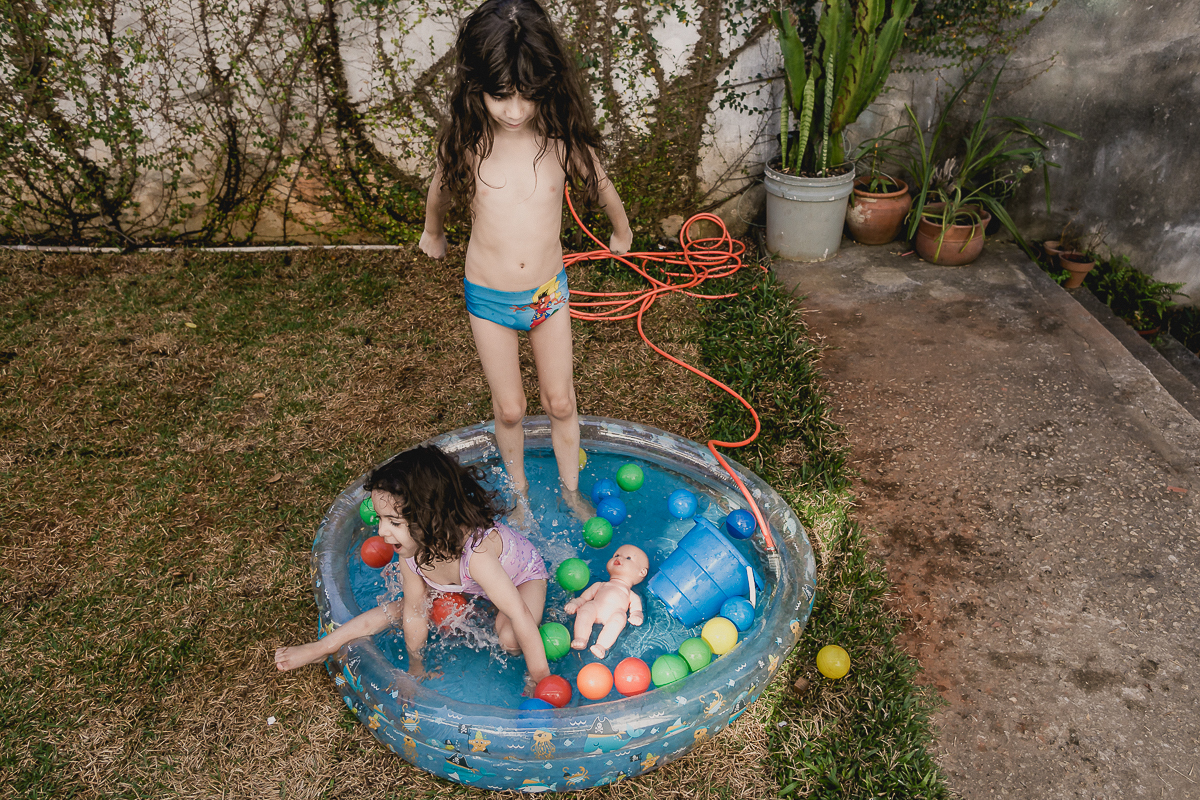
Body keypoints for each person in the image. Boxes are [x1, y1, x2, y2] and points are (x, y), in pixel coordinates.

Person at [419, 0, 633, 523]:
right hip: (488, 296)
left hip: (546, 294)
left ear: (547, 84)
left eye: (526, 95)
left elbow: (600, 184)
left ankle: (570, 493)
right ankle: (518, 499)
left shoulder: (559, 141)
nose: (515, 110)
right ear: (476, 86)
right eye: (501, 96)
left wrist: (621, 230)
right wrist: (432, 231)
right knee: (511, 408)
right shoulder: (468, 143)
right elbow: (440, 190)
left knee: (560, 401)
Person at [274, 445, 551, 688]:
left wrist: (540, 678)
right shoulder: (412, 553)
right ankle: (324, 646)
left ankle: (493, 609)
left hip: (523, 578)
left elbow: (520, 614)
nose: (382, 532)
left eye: (394, 522)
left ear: (431, 519)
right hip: (472, 585)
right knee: (405, 606)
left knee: (509, 639)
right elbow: (415, 614)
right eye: (380, 519)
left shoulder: (477, 555)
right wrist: (415, 668)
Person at [564, 544, 648, 658]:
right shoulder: (600, 585)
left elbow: (637, 610)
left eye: (628, 558)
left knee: (620, 618)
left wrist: (637, 615)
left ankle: (601, 646)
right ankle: (580, 638)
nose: (619, 558)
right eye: (616, 555)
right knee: (585, 609)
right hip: (596, 607)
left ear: (642, 572)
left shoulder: (631, 595)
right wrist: (575, 603)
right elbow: (583, 598)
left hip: (614, 613)